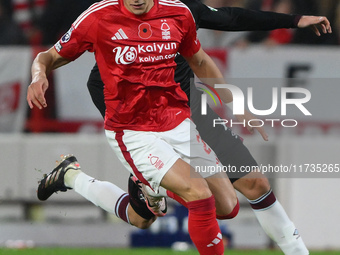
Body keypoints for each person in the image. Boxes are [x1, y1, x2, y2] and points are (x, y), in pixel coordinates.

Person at [84, 1, 332, 255]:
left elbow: (230, 19)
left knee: (254, 185)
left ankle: (299, 252)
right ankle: (85, 178)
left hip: (191, 107)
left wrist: (294, 20)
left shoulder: (180, 9)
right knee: (144, 218)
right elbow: (66, 58)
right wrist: (40, 71)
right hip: (143, 123)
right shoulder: (104, 21)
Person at [27, 0, 242, 254]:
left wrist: (235, 102)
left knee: (227, 207)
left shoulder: (178, 12)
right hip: (134, 133)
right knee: (199, 194)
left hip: (177, 122)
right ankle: (150, 181)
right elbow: (47, 56)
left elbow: (200, 61)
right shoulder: (97, 17)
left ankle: (73, 176)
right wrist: (39, 76)